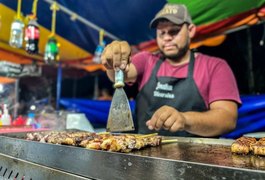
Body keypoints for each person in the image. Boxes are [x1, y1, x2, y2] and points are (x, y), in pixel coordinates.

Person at [101, 3, 241, 137]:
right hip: (144, 156)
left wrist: (184, 119)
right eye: (162, 33)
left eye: (174, 31)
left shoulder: (214, 67)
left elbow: (227, 119)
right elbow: (119, 75)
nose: (167, 38)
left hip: (194, 156)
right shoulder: (147, 60)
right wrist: (114, 59)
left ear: (191, 30)